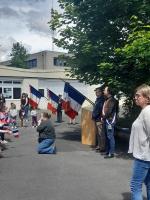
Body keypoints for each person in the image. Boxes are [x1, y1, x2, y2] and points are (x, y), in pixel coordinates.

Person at [128, 84, 150, 200]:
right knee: (149, 185)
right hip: (146, 156)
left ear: (147, 98)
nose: (135, 98)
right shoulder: (146, 111)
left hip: (143, 157)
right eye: (135, 96)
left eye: (138, 96)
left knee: (135, 186)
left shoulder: (147, 112)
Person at [102, 86, 118, 158]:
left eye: (105, 90)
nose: (103, 91)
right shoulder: (107, 99)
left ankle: (111, 153)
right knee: (107, 136)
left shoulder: (112, 100)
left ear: (108, 92)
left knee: (110, 136)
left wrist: (104, 117)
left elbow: (109, 111)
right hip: (107, 120)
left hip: (110, 121)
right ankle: (108, 151)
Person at [92, 87, 105, 152]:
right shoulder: (98, 99)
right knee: (98, 133)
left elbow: (99, 110)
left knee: (101, 133)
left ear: (101, 92)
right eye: (96, 92)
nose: (96, 93)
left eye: (97, 92)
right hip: (96, 118)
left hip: (99, 119)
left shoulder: (102, 100)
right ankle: (99, 146)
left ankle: (102, 147)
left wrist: (94, 115)